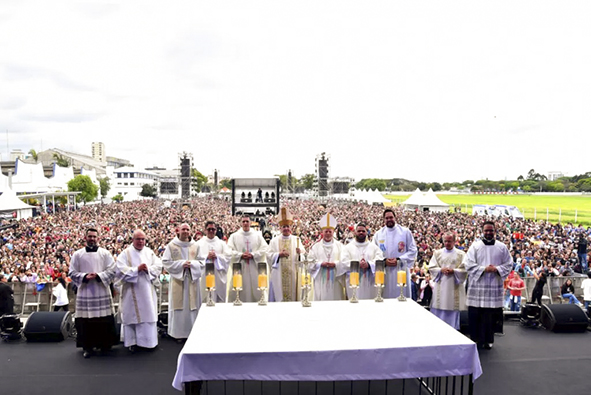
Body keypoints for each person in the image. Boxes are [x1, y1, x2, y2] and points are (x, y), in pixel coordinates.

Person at [69, 228, 118, 358]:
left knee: (103, 319)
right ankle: (87, 347)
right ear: (85, 238)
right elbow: (71, 272)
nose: (92, 239)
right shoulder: (77, 255)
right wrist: (85, 276)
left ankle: (105, 345)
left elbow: (113, 270)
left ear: (98, 238)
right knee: (86, 321)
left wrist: (98, 276)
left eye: (94, 236)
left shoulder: (105, 254)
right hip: (85, 291)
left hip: (101, 289)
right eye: (90, 236)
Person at [464, 221, 513, 350]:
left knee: (490, 316)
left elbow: (509, 264)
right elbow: (467, 263)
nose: (488, 233)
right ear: (482, 231)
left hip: (493, 286)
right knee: (476, 315)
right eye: (486, 230)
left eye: (491, 230)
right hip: (478, 286)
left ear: (495, 231)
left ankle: (488, 340)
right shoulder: (475, 246)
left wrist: (496, 269)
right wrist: (483, 269)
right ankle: (475, 339)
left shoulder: (502, 247)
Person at [116, 229, 163, 352]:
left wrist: (148, 269)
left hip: (147, 291)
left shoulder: (149, 252)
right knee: (133, 316)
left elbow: (158, 266)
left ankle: (149, 343)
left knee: (148, 315)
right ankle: (133, 342)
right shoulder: (125, 254)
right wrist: (137, 270)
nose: (141, 241)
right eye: (138, 239)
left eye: (143, 239)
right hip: (132, 292)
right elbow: (120, 270)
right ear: (133, 240)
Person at [162, 223, 203, 341]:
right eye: (183, 229)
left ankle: (193, 333)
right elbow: (166, 262)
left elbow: (201, 262)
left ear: (190, 231)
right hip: (178, 280)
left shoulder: (195, 246)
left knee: (192, 307)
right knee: (179, 307)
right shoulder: (172, 246)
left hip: (192, 280)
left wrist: (192, 264)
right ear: (178, 231)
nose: (185, 231)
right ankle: (178, 334)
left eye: (187, 229)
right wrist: (181, 264)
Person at [372, 209, 417, 298]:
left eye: (391, 217)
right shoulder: (378, 234)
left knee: (401, 297)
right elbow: (374, 252)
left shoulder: (405, 232)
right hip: (385, 271)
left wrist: (399, 260)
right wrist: (384, 261)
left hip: (401, 269)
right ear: (383, 219)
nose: (389, 219)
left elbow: (413, 250)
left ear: (395, 217)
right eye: (386, 218)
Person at [427, 232, 467, 329]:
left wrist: (454, 271)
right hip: (441, 285)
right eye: (445, 241)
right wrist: (441, 270)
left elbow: (465, 269)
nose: (447, 243)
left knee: (453, 310)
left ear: (454, 241)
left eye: (449, 241)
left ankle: (453, 329)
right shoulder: (437, 253)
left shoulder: (461, 254)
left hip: (454, 286)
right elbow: (431, 267)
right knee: (439, 310)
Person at [267, 208, 306, 302]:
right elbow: (268, 256)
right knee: (279, 296)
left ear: (291, 227)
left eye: (288, 226)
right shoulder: (274, 241)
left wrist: (299, 253)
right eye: (283, 226)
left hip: (293, 274)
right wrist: (278, 255)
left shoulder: (296, 240)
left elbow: (303, 258)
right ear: (280, 228)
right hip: (278, 275)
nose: (286, 229)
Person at [227, 215, 269, 302]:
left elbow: (265, 249)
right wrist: (240, 255)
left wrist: (253, 255)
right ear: (240, 223)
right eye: (243, 221)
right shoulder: (234, 236)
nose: (245, 223)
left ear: (250, 223)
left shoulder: (257, 236)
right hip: (239, 268)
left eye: (247, 221)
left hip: (254, 267)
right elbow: (228, 251)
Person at [307, 213, 346, 300]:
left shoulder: (340, 246)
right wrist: (320, 264)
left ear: (333, 232)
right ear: (322, 232)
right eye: (326, 231)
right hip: (320, 281)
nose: (328, 233)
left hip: (335, 281)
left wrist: (335, 264)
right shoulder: (315, 247)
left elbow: (345, 262)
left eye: (330, 231)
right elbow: (309, 263)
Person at [342, 223, 383, 300]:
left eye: (363, 231)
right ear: (355, 232)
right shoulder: (347, 248)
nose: (361, 232)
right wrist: (357, 265)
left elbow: (380, 259)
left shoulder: (374, 247)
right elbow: (344, 262)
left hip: (370, 283)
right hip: (354, 283)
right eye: (359, 231)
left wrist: (369, 264)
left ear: (367, 232)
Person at [197, 220, 232, 303]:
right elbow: (196, 259)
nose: (211, 231)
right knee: (204, 301)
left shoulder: (222, 243)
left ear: (216, 230)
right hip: (204, 276)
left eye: (213, 229)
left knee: (219, 302)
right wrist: (206, 257)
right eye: (209, 229)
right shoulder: (199, 244)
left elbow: (228, 257)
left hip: (218, 277)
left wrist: (217, 257)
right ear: (205, 230)